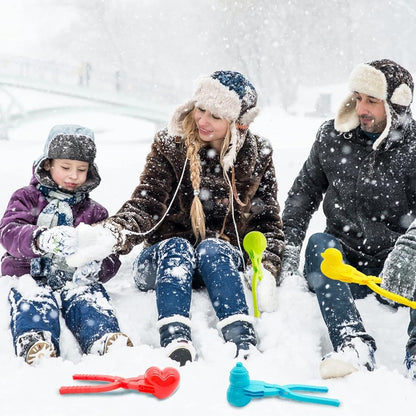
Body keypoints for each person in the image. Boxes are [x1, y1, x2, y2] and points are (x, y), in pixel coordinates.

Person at [65, 70, 285, 366]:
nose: (203, 121)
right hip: (163, 261)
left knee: (214, 247)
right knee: (177, 248)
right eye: (201, 109)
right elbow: (146, 204)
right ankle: (175, 337)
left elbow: (267, 222)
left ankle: (241, 338)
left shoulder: (258, 155)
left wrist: (267, 268)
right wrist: (114, 233)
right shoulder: (170, 146)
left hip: (217, 264)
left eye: (216, 116)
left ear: (237, 124)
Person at [281, 59, 416, 379]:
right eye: (357, 97)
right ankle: (352, 341)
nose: (361, 108)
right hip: (343, 260)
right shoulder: (331, 137)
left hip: (396, 264)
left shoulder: (413, 146)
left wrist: (409, 249)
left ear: (396, 105)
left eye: (371, 100)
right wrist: (287, 251)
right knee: (318, 243)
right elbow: (302, 197)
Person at [0, 124, 132, 365]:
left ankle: (103, 337)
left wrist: (97, 266)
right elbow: (9, 232)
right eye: (66, 167)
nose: (74, 175)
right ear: (47, 164)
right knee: (33, 298)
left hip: (74, 278)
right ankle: (35, 339)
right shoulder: (26, 198)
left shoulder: (95, 212)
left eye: (81, 169)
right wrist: (40, 239)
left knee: (89, 297)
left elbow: (109, 253)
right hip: (27, 273)